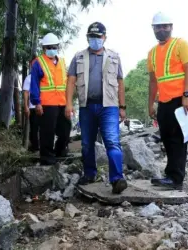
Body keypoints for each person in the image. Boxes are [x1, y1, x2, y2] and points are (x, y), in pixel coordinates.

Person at [65, 22, 128, 194]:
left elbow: (120, 82)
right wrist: (69, 104)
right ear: (87, 38)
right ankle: (90, 173)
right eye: (92, 37)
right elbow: (71, 81)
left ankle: (117, 178)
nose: (95, 40)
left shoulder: (114, 57)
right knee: (86, 143)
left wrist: (122, 106)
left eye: (98, 37)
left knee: (112, 142)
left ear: (104, 37)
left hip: (109, 107)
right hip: (87, 106)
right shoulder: (78, 57)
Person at [147, 12, 188, 190]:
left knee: (178, 138)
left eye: (165, 26)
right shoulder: (151, 53)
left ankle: (176, 179)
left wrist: (187, 94)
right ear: (153, 29)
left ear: (171, 27)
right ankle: (171, 175)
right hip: (164, 100)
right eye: (158, 27)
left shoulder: (181, 44)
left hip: (181, 99)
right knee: (167, 137)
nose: (161, 29)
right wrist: (151, 103)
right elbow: (153, 81)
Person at [30, 33, 71, 165]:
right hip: (47, 104)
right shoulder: (38, 63)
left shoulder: (62, 62)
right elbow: (34, 84)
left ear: (57, 47)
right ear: (43, 48)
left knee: (65, 130)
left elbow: (67, 83)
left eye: (54, 47)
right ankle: (47, 157)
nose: (51, 49)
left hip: (62, 103)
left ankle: (59, 151)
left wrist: (69, 103)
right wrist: (37, 103)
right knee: (47, 132)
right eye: (48, 47)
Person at [23, 57, 39, 152]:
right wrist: (26, 106)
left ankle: (45, 147)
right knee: (34, 129)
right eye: (33, 63)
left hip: (45, 106)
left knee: (45, 128)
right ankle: (35, 148)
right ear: (30, 65)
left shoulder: (43, 76)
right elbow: (25, 92)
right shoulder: (29, 78)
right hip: (33, 107)